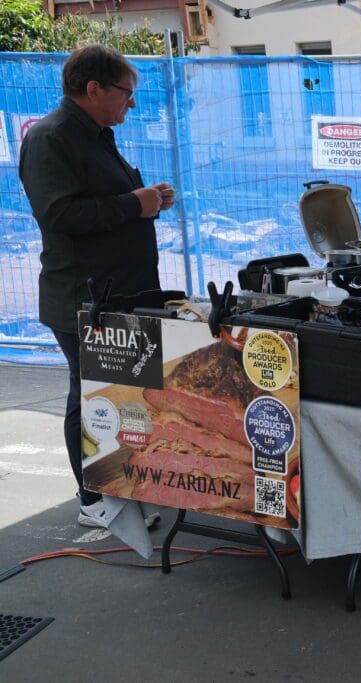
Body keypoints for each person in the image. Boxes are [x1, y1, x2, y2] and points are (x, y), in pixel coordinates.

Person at [19, 44, 174, 528]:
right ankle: (92, 499)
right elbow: (59, 213)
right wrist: (134, 204)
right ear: (94, 90)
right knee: (87, 395)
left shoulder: (96, 134)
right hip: (83, 297)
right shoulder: (52, 137)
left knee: (120, 394)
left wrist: (147, 200)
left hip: (121, 292)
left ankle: (120, 482)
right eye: (127, 93)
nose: (132, 104)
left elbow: (105, 198)